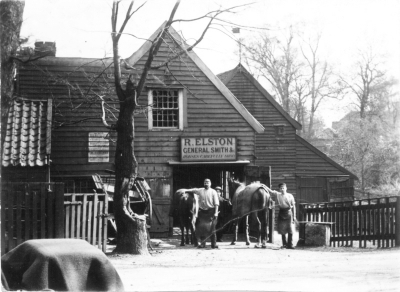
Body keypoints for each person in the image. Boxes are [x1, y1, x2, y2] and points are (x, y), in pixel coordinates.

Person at [186, 179, 220, 249]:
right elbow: (193, 190)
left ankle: (213, 244)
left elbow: (216, 204)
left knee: (212, 228)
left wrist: (216, 213)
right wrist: (185, 190)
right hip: (202, 212)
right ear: (203, 183)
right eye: (205, 182)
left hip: (211, 211)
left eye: (207, 182)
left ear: (210, 184)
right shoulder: (200, 190)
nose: (206, 184)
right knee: (201, 228)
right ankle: (202, 244)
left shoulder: (213, 192)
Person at [267, 183, 296, 249]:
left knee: (290, 229)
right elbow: (271, 191)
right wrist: (264, 186)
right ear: (279, 189)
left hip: (289, 212)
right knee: (282, 229)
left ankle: (290, 244)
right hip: (281, 212)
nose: (282, 189)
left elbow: (293, 206)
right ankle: (284, 244)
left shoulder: (290, 196)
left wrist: (294, 216)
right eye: (281, 188)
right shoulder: (278, 195)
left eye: (283, 188)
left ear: (286, 188)